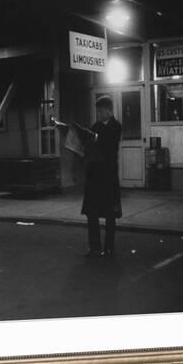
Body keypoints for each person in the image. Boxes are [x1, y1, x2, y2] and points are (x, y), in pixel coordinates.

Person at [73, 95, 122, 258]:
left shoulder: (116, 126)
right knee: (92, 214)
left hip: (108, 176)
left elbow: (110, 145)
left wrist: (94, 138)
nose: (99, 114)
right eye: (97, 111)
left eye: (101, 111)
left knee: (109, 215)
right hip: (94, 175)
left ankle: (109, 248)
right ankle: (94, 247)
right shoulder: (95, 126)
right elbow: (88, 146)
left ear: (109, 110)